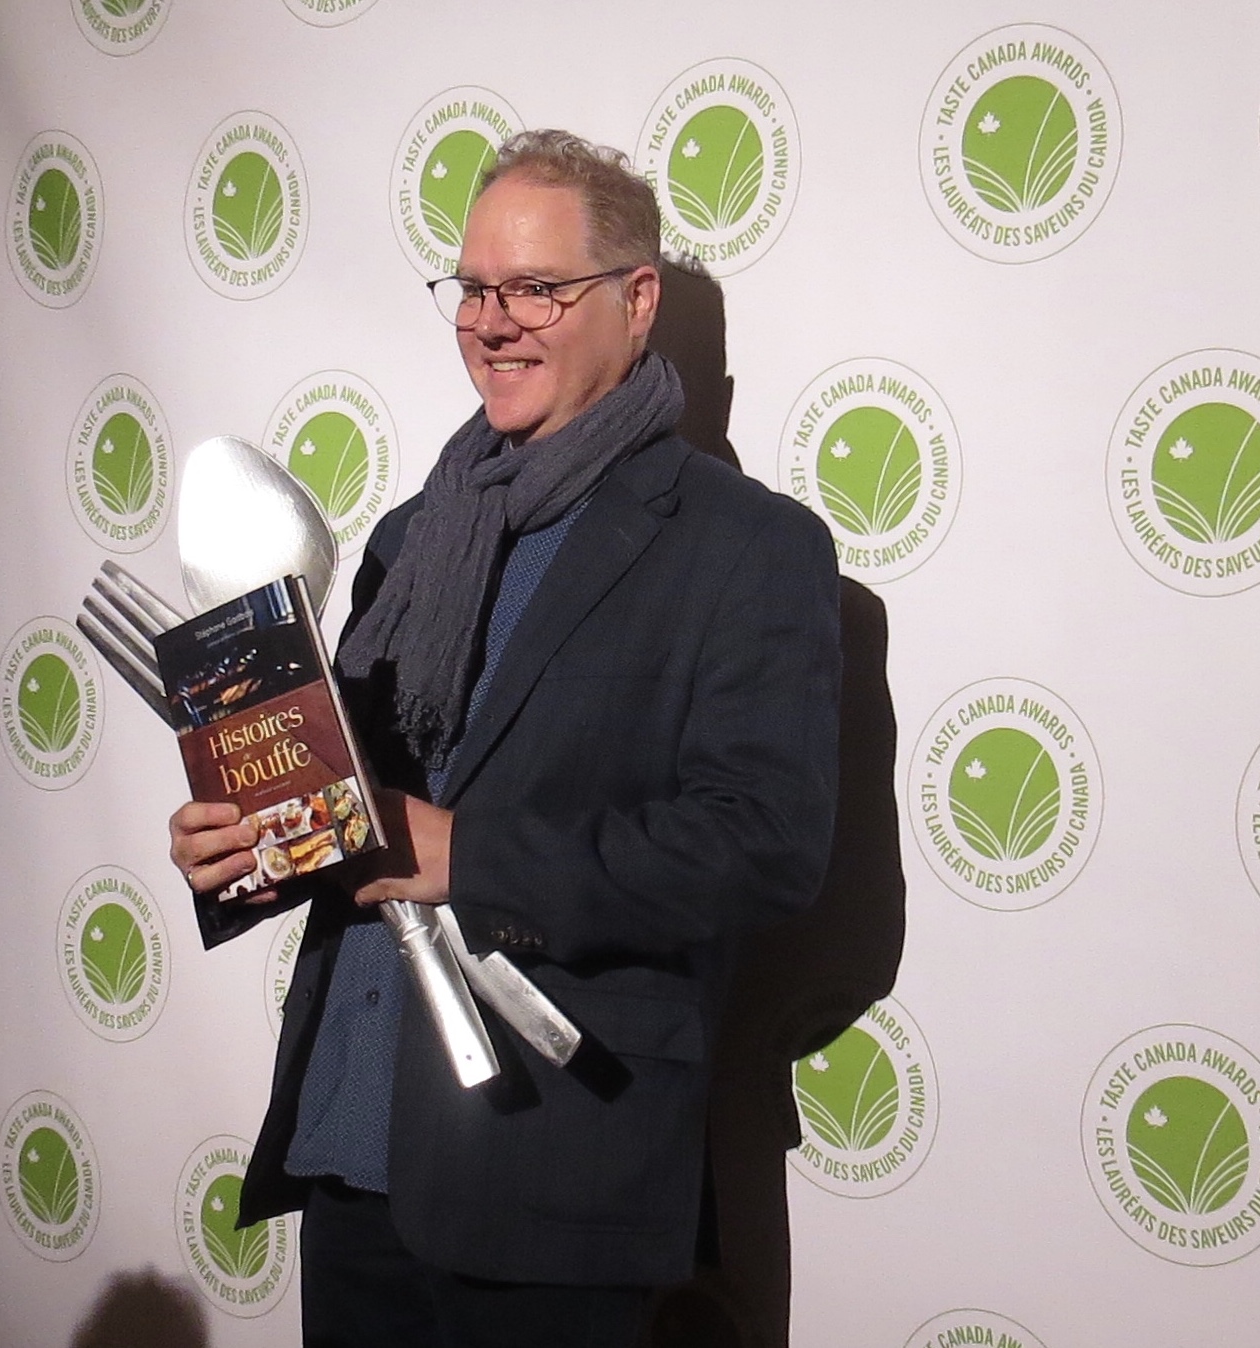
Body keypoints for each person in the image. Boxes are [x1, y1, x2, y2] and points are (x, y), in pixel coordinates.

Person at [168, 129, 841, 1348]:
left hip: (551, 1166)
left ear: (637, 301)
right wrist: (248, 842)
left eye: (535, 288)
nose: (492, 322)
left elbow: (762, 844)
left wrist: (467, 855)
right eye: (473, 288)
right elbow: (357, 805)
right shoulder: (413, 535)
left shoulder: (747, 547)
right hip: (350, 1141)